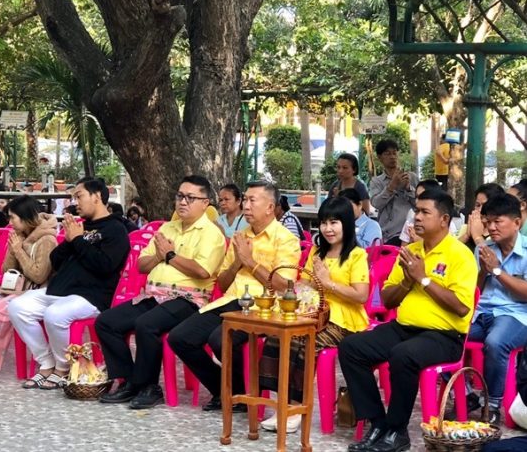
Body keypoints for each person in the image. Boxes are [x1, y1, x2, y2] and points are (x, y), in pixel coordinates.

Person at [339, 189, 478, 452]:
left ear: (444, 219)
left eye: (425, 212)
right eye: (416, 211)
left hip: (444, 336)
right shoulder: (410, 251)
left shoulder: (461, 255)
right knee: (351, 348)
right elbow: (388, 300)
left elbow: (461, 308)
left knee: (403, 355)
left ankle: (397, 431)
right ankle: (378, 423)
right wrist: (406, 280)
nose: (417, 217)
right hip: (403, 328)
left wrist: (423, 279)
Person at [168, 180, 301, 412]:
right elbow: (223, 282)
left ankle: (240, 393)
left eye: (252, 200)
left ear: (270, 207)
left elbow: (283, 286)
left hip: (263, 306)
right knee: (180, 338)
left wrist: (250, 262)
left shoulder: (286, 239)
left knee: (219, 339)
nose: (246, 205)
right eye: (245, 199)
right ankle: (226, 389)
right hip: (231, 300)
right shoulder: (240, 236)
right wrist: (237, 262)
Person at [96, 175, 226, 409]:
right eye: (180, 196)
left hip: (189, 299)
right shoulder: (167, 228)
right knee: (106, 322)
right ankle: (129, 381)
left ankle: (150, 387)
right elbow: (142, 265)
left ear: (205, 203)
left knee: (146, 324)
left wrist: (169, 256)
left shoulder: (211, 233)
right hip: (154, 295)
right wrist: (159, 255)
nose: (183, 202)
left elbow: (202, 271)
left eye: (190, 197)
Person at [259, 196, 370, 433]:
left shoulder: (357, 255)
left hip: (343, 321)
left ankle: (295, 408)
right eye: (324, 223)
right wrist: (295, 290)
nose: (328, 229)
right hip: (313, 314)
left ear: (347, 223)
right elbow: (307, 284)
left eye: (334, 222)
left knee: (303, 341)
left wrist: (328, 284)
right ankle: (282, 404)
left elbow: (361, 296)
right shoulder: (317, 253)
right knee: (278, 337)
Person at [8, 177, 130, 390]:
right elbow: (55, 260)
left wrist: (78, 241)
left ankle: (63, 368)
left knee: (55, 314)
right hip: (59, 291)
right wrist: (70, 240)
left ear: (97, 196)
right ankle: (46, 363)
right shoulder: (80, 227)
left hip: (90, 296)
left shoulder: (116, 230)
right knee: (17, 307)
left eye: (79, 196)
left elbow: (104, 266)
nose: (75, 202)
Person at [464, 194, 527, 424]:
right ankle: (466, 395)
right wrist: (483, 271)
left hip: (516, 314)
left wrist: (497, 271)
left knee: (496, 342)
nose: (491, 227)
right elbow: (474, 290)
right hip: (483, 312)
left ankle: (491, 405)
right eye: (488, 221)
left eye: (497, 221)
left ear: (517, 222)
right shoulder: (484, 249)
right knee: (445, 333)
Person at [0, 196, 57, 371]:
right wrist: (14, 250)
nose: (9, 222)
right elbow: (7, 271)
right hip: (18, 290)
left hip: (39, 293)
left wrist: (19, 251)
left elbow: (38, 276)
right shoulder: (21, 236)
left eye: (12, 217)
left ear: (25, 217)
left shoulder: (47, 240)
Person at [369, 139, 418, 246]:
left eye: (394, 153)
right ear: (380, 157)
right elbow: (376, 204)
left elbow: (420, 203)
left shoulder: (412, 177)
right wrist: (391, 186)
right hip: (388, 234)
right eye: (387, 154)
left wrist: (408, 188)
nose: (392, 157)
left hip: (411, 233)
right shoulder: (376, 181)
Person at [458, 183, 505, 249]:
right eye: (477, 205)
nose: (480, 210)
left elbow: (491, 254)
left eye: (485, 205)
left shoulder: (499, 232)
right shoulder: (465, 228)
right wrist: (466, 235)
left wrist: (477, 236)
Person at [399, 180, 444, 246]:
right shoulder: (410, 223)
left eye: (423, 197)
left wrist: (421, 242)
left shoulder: (444, 222)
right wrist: (411, 243)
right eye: (417, 196)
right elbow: (403, 249)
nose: (418, 200)